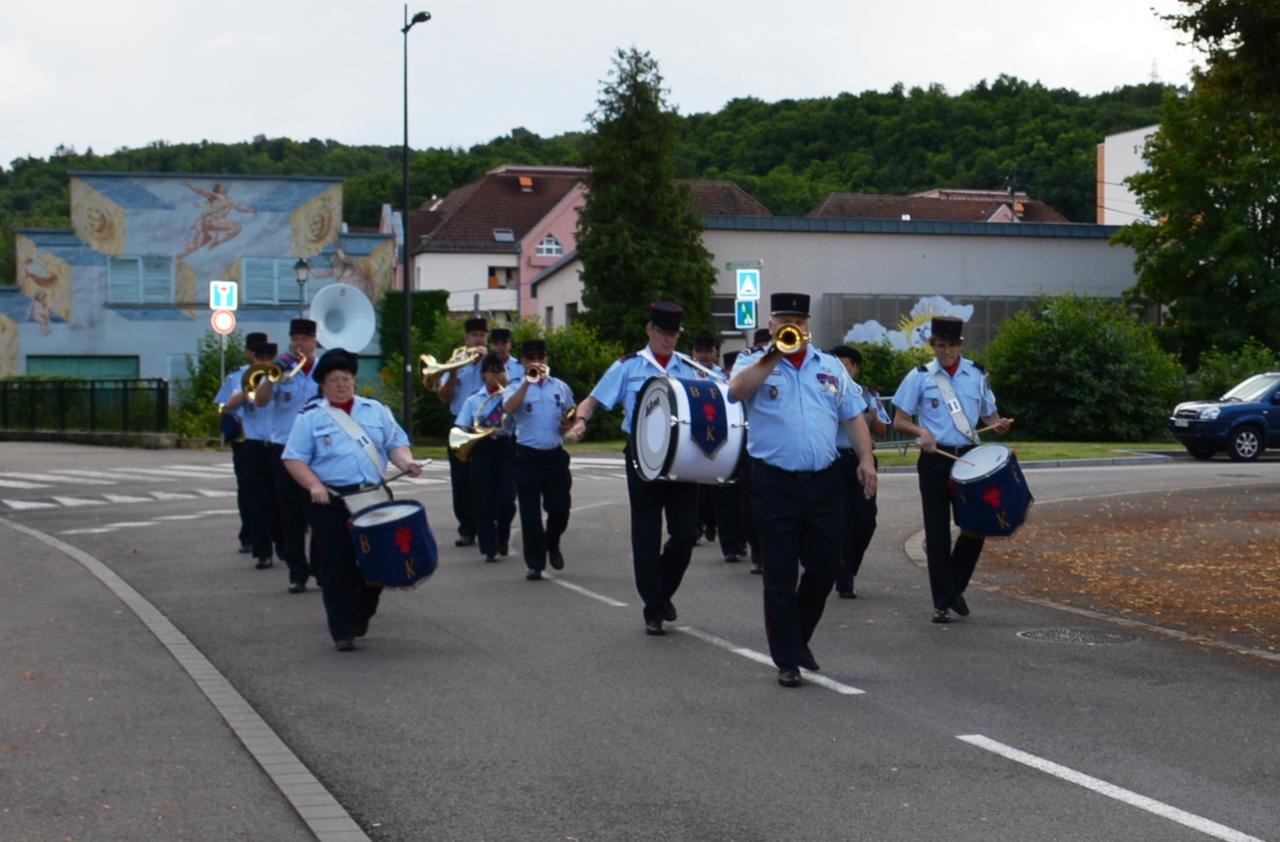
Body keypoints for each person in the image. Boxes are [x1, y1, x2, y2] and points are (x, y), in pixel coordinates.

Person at [729, 292, 877, 688]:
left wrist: (866, 460)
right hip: (774, 482)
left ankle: (796, 638)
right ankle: (787, 660)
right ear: (773, 324)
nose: (793, 327)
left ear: (808, 325)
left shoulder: (829, 366)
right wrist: (773, 354)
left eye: (799, 320)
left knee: (827, 565)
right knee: (779, 572)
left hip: (824, 481)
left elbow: (853, 416)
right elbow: (737, 391)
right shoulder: (753, 361)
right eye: (785, 321)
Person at [567, 302, 701, 636]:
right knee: (646, 532)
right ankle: (653, 609)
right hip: (641, 456)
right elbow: (594, 398)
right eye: (662, 333)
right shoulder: (628, 366)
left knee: (685, 534)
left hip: (681, 458)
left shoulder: (689, 367)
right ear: (649, 330)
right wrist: (582, 421)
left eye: (673, 334)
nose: (668, 341)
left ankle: (662, 591)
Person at [282, 348, 422, 651]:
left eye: (346, 378)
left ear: (354, 381)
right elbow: (294, 459)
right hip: (330, 502)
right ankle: (342, 629)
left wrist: (406, 463)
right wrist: (314, 486)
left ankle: (363, 610)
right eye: (334, 380)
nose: (341, 384)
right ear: (323, 385)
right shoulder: (311, 418)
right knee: (337, 565)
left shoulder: (376, 411)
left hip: (372, 496)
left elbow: (395, 444)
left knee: (378, 562)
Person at [891, 316, 1011, 624]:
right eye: (940, 346)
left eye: (951, 346)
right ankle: (941, 602)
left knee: (976, 525)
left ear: (961, 345)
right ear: (932, 345)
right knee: (937, 531)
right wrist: (921, 432)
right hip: (934, 459)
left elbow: (989, 416)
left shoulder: (976, 375)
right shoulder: (920, 376)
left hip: (968, 459)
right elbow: (899, 420)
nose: (946, 352)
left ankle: (953, 587)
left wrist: (998, 425)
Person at [502, 339, 574, 581]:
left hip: (554, 455)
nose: (536, 362)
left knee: (560, 509)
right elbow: (509, 409)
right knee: (530, 514)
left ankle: (552, 542)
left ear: (547, 360)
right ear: (522, 361)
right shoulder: (515, 386)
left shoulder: (560, 387)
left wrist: (569, 426)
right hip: (527, 456)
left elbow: (572, 416)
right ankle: (535, 563)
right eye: (531, 358)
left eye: (540, 358)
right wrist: (526, 383)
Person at [257, 319, 319, 593]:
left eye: (304, 339)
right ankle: (297, 571)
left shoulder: (323, 371)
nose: (298, 344)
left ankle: (321, 566)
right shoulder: (281, 371)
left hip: (318, 449)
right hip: (285, 448)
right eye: (295, 338)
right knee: (290, 513)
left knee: (320, 512)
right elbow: (259, 401)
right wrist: (272, 377)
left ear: (314, 342)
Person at [829, 346, 891, 599]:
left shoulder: (868, 394)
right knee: (841, 520)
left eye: (846, 365)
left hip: (862, 461)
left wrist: (872, 416)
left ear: (855, 367)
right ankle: (843, 578)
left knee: (866, 520)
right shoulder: (826, 391)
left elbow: (882, 430)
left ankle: (849, 567)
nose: (842, 370)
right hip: (835, 460)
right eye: (837, 365)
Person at [455, 354, 517, 564]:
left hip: (506, 447)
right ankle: (489, 547)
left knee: (507, 500)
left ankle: (503, 533)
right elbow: (462, 426)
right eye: (490, 371)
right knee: (483, 499)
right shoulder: (474, 399)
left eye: (499, 371)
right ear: (483, 374)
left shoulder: (511, 396)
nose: (495, 376)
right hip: (482, 448)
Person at [225, 341, 281, 570]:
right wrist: (245, 392)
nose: (266, 362)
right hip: (254, 445)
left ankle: (284, 545)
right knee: (256, 500)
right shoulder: (241, 377)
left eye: (270, 357)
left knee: (280, 501)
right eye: (261, 357)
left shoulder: (282, 377)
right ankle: (262, 552)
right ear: (253, 357)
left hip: (280, 445)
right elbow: (226, 407)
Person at [437, 317, 489, 547]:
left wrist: (489, 361)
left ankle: (487, 525)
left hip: (486, 426)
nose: (478, 339)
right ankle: (467, 528)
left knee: (486, 479)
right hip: (460, 425)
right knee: (461, 479)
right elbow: (444, 396)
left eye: (481, 335)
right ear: (466, 339)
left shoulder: (492, 363)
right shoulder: (456, 362)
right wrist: (455, 373)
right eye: (474, 335)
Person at [215, 331, 268, 554]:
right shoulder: (236, 376)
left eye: (261, 353)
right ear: (247, 353)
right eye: (254, 352)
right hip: (245, 440)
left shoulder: (277, 373)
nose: (256, 357)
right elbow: (219, 408)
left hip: (273, 439)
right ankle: (249, 535)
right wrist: (234, 401)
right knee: (248, 491)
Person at [690, 335, 723, 545]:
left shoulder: (722, 376)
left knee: (715, 487)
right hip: (694, 433)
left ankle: (712, 524)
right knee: (695, 488)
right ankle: (696, 527)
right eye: (699, 351)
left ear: (715, 354)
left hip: (718, 432)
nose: (703, 355)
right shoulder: (687, 374)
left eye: (707, 351)